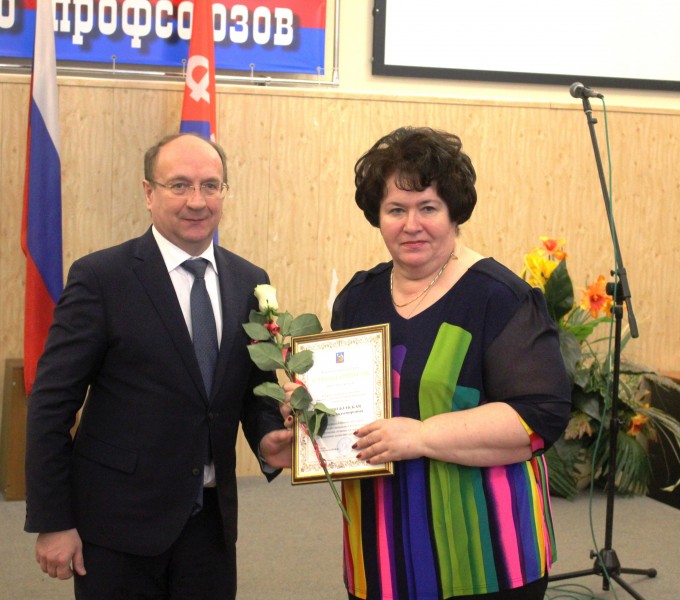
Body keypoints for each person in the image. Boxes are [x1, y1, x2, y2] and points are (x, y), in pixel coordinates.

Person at [24, 132, 292, 599]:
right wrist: (53, 520)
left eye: (210, 186)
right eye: (179, 185)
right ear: (149, 193)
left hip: (211, 526)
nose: (197, 201)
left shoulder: (249, 281)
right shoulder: (101, 279)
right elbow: (51, 404)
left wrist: (269, 435)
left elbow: (254, 386)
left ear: (224, 192)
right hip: (117, 527)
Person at [329, 127, 571, 599]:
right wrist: (307, 423)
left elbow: (540, 416)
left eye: (428, 207)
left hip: (486, 555)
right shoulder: (357, 299)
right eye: (396, 209)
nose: (411, 224)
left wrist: (421, 435)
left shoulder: (499, 297)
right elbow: (345, 403)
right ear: (377, 216)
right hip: (381, 554)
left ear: (454, 213)